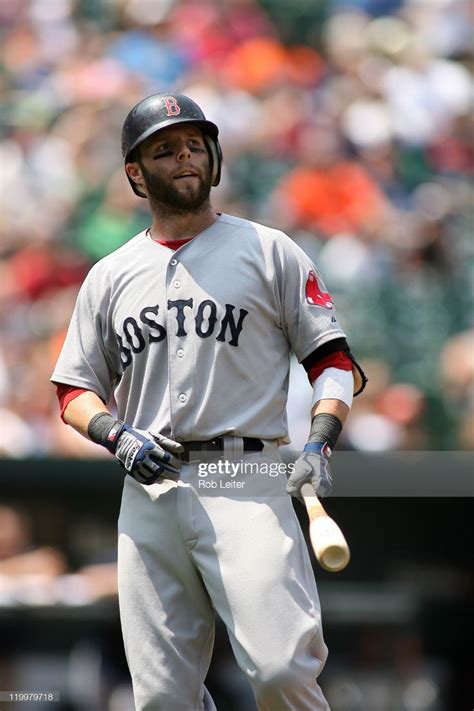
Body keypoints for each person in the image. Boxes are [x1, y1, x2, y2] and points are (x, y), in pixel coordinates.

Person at [51, 92, 366, 711]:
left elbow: (331, 362)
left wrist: (320, 438)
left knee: (280, 671)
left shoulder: (268, 249)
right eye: (165, 150)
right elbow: (72, 390)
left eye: (195, 145)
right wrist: (116, 433)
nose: (186, 156)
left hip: (246, 476)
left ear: (214, 158)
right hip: (149, 487)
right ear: (136, 174)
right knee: (162, 696)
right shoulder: (111, 274)